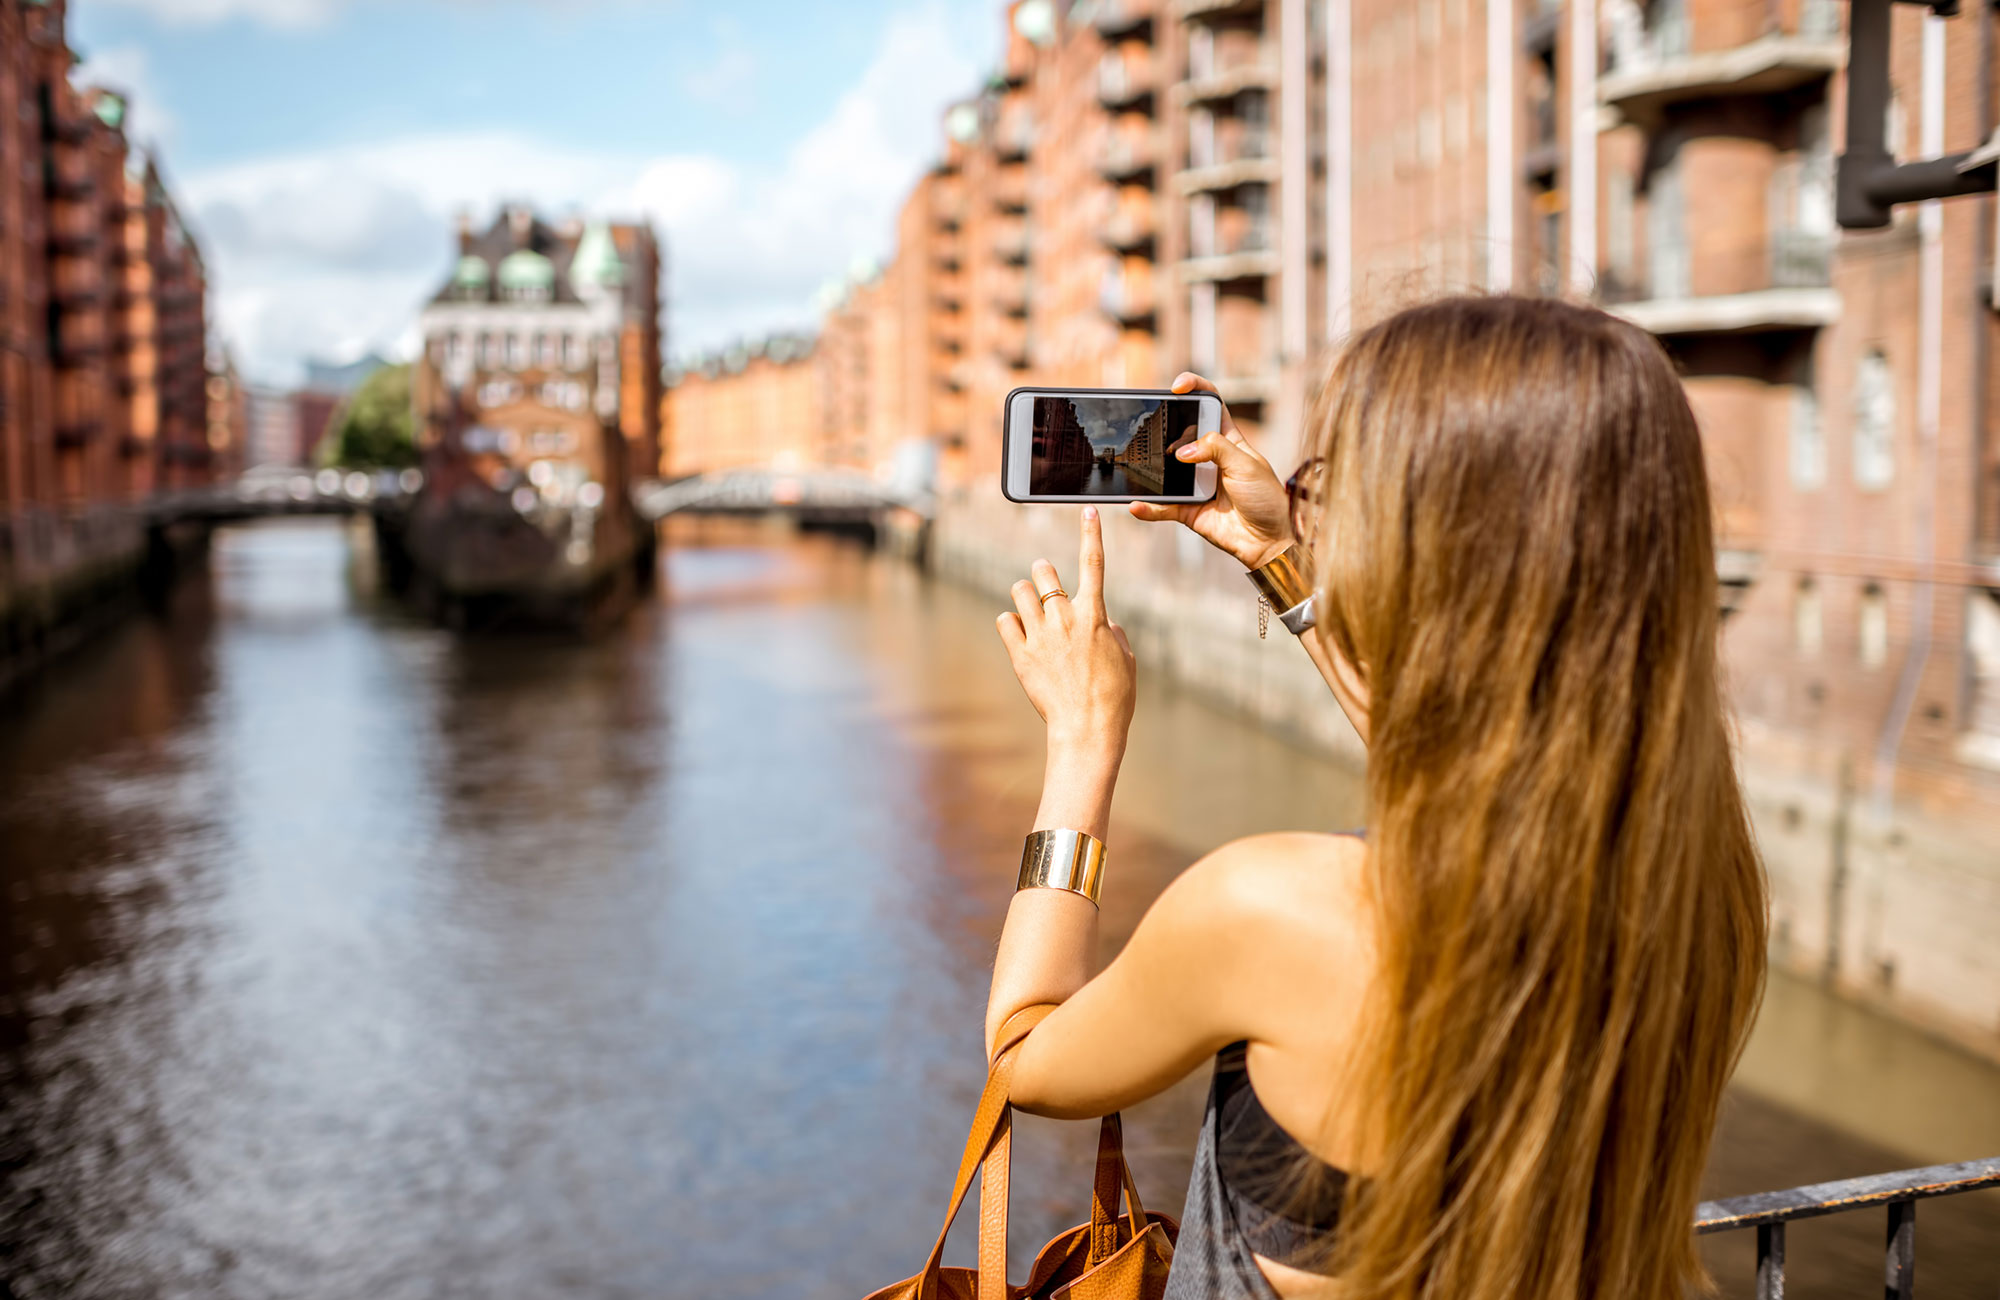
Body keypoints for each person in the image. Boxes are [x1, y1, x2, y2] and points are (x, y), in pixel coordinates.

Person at [987, 296, 1768, 1300]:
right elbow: (1490, 763)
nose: (1314, 511)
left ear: (1417, 548)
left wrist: (1083, 739)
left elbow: (1027, 1050)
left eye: (1326, 488)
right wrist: (1274, 557)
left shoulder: (1274, 910)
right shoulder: (1700, 877)